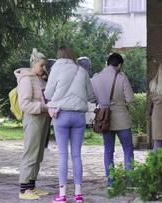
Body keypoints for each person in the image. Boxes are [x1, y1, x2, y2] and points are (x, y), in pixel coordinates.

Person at [44, 46, 95, 203]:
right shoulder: (82, 71)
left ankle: (62, 194)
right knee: (76, 155)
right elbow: (90, 95)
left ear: (58, 56)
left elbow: (48, 94)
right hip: (79, 116)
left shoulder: (56, 69)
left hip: (62, 115)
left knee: (63, 155)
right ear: (73, 55)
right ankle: (78, 194)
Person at [91, 53, 135, 186]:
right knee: (128, 149)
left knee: (108, 149)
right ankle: (130, 179)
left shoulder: (96, 78)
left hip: (104, 119)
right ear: (120, 65)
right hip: (122, 118)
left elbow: (91, 98)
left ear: (107, 63)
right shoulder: (122, 78)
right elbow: (130, 98)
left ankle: (111, 179)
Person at [16, 48, 51, 200]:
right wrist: (42, 107)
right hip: (33, 119)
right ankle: (24, 189)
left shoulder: (40, 79)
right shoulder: (26, 80)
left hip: (43, 119)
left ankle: (31, 185)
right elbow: (24, 104)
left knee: (38, 155)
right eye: (42, 65)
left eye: (45, 66)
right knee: (30, 153)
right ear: (34, 63)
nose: (44, 68)